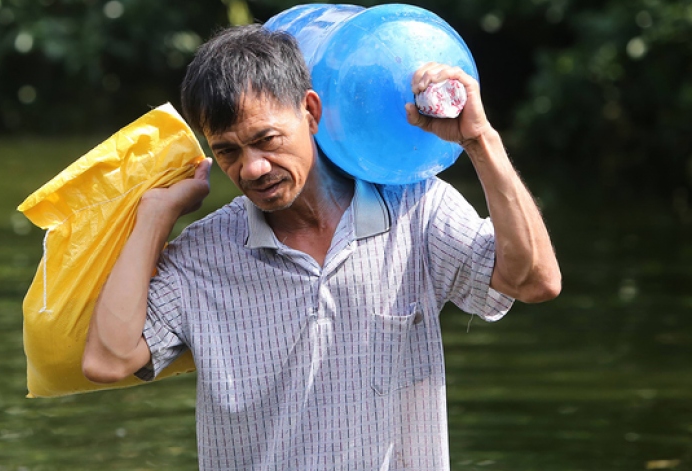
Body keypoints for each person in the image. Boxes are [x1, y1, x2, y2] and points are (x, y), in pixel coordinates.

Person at [82, 24, 561, 470]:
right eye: (227, 150)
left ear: (310, 112)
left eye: (265, 140)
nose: (252, 168)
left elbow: (535, 280)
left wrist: (479, 140)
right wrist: (154, 216)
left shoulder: (415, 208)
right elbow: (108, 360)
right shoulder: (203, 256)